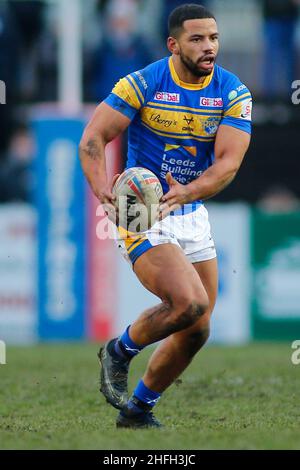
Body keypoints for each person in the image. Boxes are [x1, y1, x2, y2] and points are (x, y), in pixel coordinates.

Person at [79, 3, 252, 428]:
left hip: (190, 210)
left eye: (213, 38)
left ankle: (138, 411)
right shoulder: (144, 82)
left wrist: (188, 192)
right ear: (173, 44)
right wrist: (103, 190)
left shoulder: (233, 93)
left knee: (198, 328)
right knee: (189, 302)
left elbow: (228, 165)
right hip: (142, 211)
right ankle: (119, 352)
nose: (208, 46)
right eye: (197, 39)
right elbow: (92, 140)